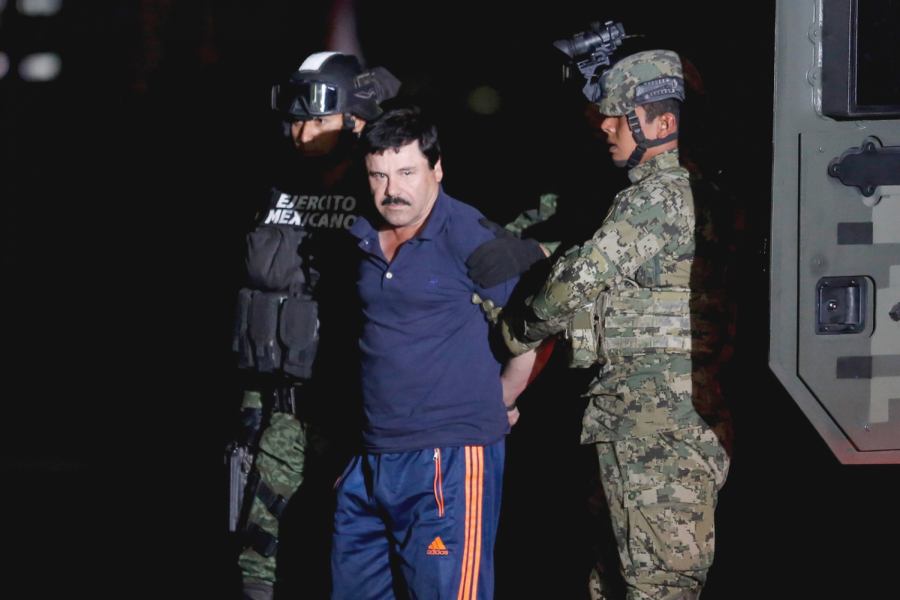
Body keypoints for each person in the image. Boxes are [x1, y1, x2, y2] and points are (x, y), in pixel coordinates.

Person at [500, 50, 733, 600]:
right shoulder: (696, 195)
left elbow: (576, 281)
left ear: (663, 123)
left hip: (653, 429)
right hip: (655, 424)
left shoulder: (656, 198)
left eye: (620, 112)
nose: (606, 124)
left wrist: (514, 331)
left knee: (656, 586)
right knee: (616, 576)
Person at [330, 108, 537, 600]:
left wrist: (500, 400)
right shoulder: (360, 233)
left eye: (406, 173)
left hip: (447, 458)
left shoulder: (471, 237)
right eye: (379, 175)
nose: (391, 190)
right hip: (371, 458)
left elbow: (534, 330)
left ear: (436, 168)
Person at [230, 51, 400, 600]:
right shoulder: (268, 183)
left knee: (353, 553)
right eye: (295, 119)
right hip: (271, 399)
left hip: (351, 404)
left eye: (317, 119)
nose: (301, 132)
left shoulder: (384, 188)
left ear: (355, 119)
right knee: (255, 550)